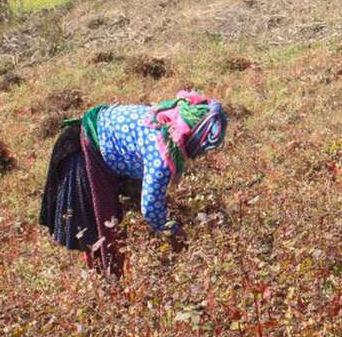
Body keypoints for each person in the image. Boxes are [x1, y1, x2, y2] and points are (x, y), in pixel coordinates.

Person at [40, 90, 228, 276]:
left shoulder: (162, 116)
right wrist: (179, 235)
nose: (204, 154)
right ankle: (105, 286)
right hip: (81, 154)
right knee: (99, 233)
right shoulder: (161, 156)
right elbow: (151, 211)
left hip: (94, 138)